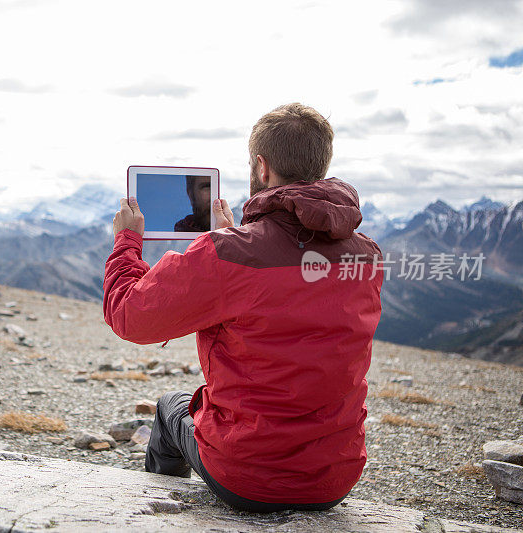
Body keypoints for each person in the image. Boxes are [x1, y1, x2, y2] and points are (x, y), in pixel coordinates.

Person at [103, 103, 383, 512]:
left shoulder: (229, 253)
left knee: (168, 409)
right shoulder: (368, 257)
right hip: (334, 477)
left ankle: (160, 514)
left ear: (261, 167)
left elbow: (129, 315)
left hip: (246, 474)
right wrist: (230, 244)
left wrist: (128, 240)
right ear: (321, 166)